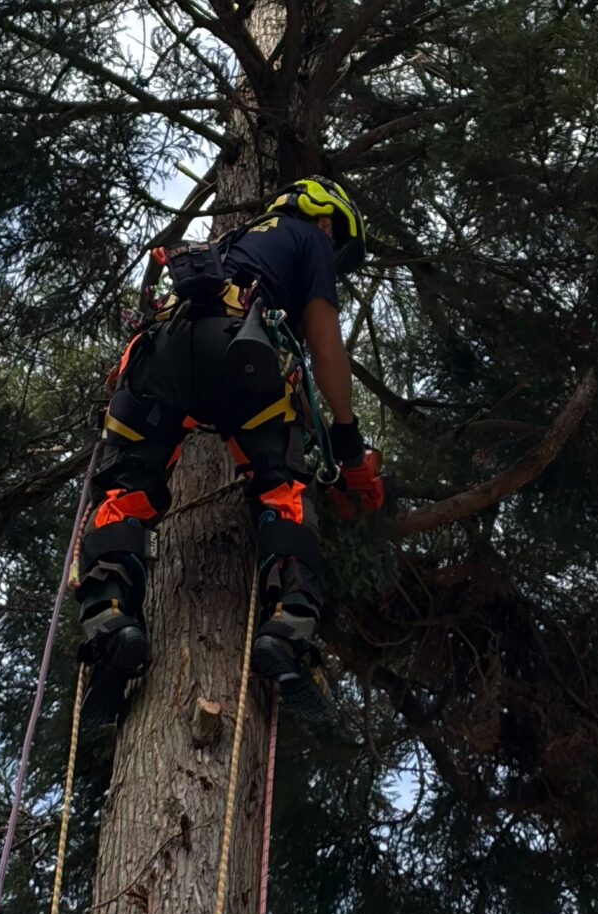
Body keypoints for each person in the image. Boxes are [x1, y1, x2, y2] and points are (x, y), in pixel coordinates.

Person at [74, 177, 386, 702]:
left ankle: (110, 622)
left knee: (124, 490)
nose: (331, 252)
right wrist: (348, 442)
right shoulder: (309, 238)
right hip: (242, 354)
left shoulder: (228, 243)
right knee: (282, 491)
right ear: (325, 219)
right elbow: (324, 345)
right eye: (336, 241)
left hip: (160, 356)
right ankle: (287, 631)